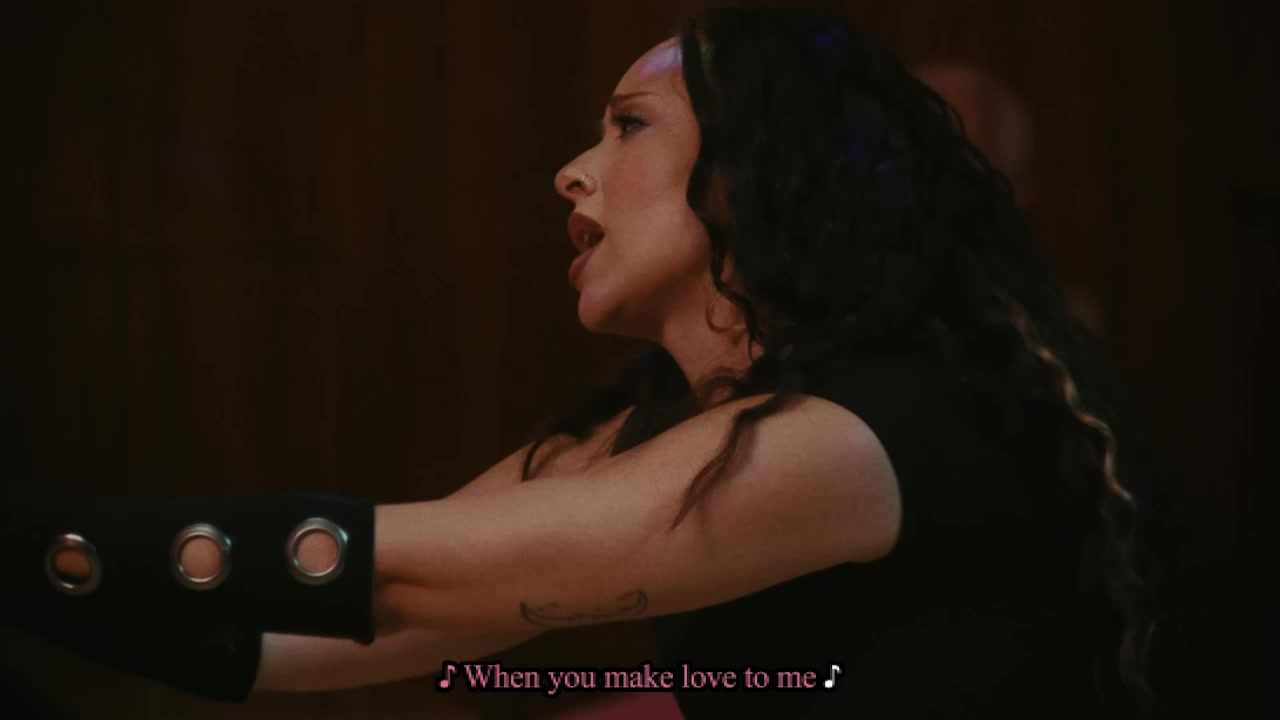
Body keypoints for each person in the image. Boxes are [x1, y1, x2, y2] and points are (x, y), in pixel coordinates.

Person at [2, 6, 1163, 719]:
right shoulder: (654, 428)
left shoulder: (859, 436)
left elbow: (397, 579)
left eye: (628, 124)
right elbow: (335, 630)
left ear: (756, 167)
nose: (570, 171)